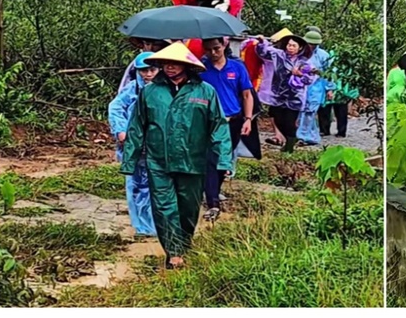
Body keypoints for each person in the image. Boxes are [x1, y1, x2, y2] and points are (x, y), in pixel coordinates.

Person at [121, 43, 232, 269]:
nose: (169, 68)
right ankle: (173, 253)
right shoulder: (150, 92)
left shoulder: (205, 92)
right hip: (158, 161)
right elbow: (136, 127)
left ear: (186, 65)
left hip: (193, 160)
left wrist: (224, 160)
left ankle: (183, 244)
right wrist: (129, 160)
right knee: (163, 207)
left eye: (174, 63)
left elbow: (219, 127)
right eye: (165, 64)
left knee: (188, 208)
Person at [199, 37, 259, 221]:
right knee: (210, 159)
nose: (213, 53)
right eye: (209, 50)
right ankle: (213, 202)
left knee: (224, 159)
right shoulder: (200, 68)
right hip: (209, 122)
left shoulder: (237, 67)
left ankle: (213, 191)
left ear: (224, 46)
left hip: (232, 120)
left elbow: (247, 95)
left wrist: (248, 119)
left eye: (216, 48)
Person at [108, 52, 159, 237]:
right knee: (137, 185)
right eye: (143, 70)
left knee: (159, 186)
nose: (148, 74)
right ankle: (142, 226)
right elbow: (115, 108)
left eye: (152, 69)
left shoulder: (166, 90)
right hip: (135, 145)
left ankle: (159, 224)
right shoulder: (131, 90)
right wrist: (121, 131)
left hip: (159, 147)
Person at [254, 34, 314, 153]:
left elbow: (309, 79)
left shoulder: (304, 63)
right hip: (278, 94)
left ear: (299, 48)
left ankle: (289, 146)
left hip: (294, 97)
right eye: (289, 45)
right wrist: (262, 42)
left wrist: (299, 75)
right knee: (277, 118)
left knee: (289, 121)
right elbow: (263, 53)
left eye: (293, 46)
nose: (290, 48)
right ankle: (290, 140)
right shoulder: (278, 55)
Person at [297, 30, 335, 145]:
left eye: (314, 44)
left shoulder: (324, 55)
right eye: (310, 44)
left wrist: (330, 89)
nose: (312, 46)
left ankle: (303, 137)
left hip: (317, 87)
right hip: (300, 86)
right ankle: (311, 136)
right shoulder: (299, 53)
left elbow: (330, 73)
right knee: (300, 111)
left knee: (310, 111)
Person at [319, 49, 359, 138]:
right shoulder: (346, 61)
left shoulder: (330, 57)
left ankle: (325, 130)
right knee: (338, 111)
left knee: (328, 110)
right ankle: (340, 131)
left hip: (338, 88)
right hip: (340, 89)